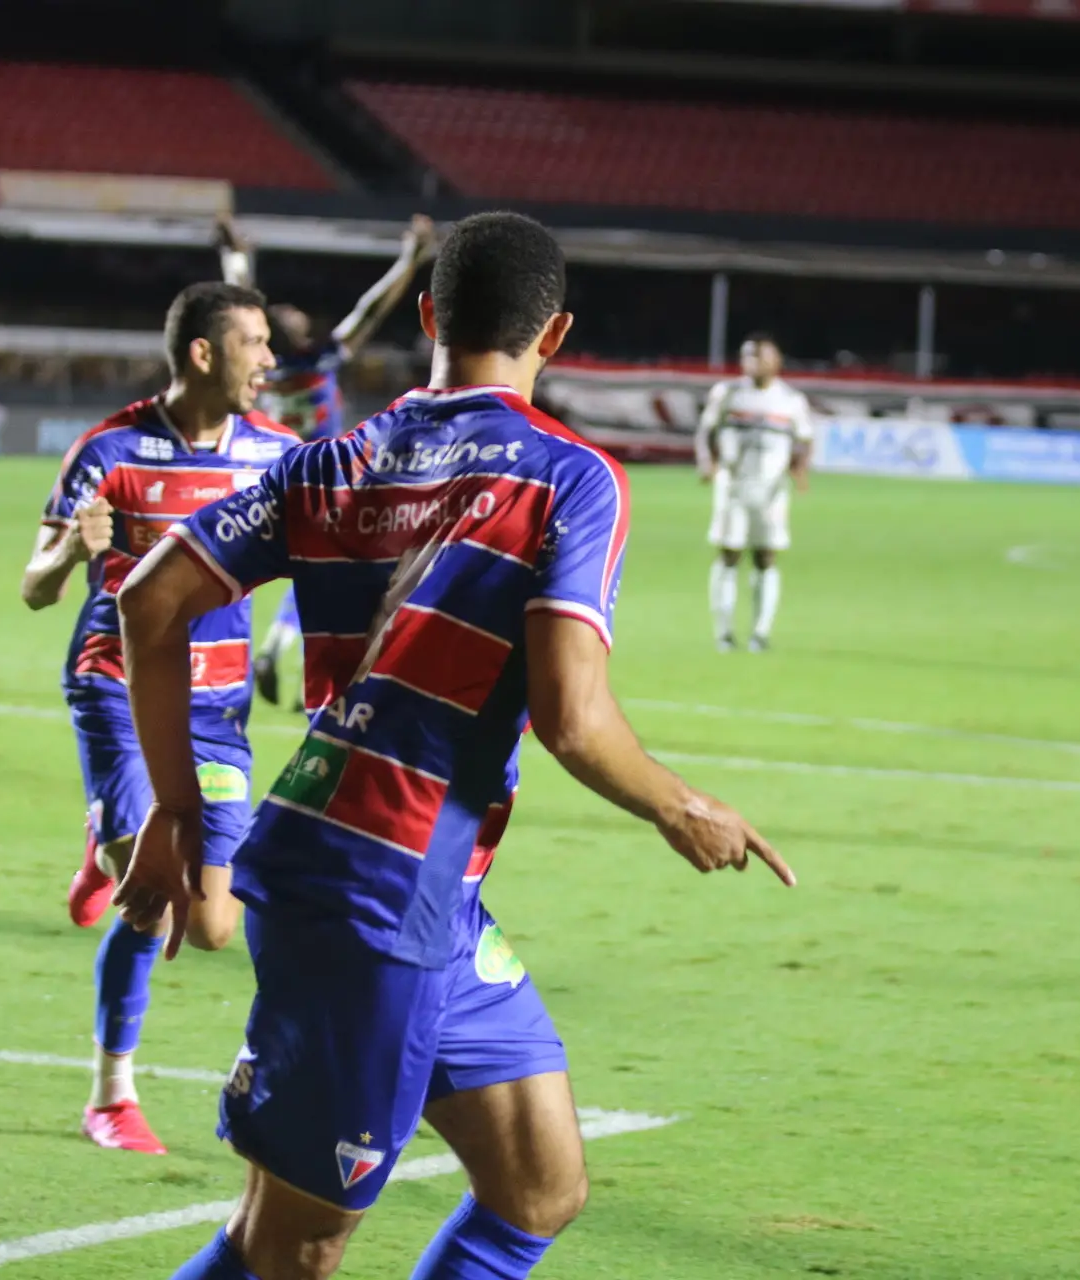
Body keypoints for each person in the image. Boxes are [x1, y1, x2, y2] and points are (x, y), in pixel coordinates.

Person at [114, 211, 794, 1280]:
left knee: (538, 1186)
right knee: (292, 1243)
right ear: (554, 334)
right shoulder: (569, 476)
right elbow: (572, 717)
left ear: (428, 316)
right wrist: (682, 805)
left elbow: (147, 603)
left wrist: (172, 806)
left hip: (427, 889)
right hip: (370, 896)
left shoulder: (332, 461)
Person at [20, 281, 296, 1154]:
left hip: (216, 709)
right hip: (119, 688)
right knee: (151, 898)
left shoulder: (279, 456)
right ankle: (111, 1095)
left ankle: (108, 838)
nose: (270, 360)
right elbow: (35, 587)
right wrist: (72, 548)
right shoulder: (109, 449)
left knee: (212, 927)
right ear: (204, 354)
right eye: (255, 343)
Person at [218, 214, 436, 707]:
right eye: (289, 314)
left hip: (273, 482)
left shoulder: (265, 371)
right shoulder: (320, 360)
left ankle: (276, 653)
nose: (295, 312)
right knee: (349, 574)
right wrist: (410, 257)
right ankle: (305, 664)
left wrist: (236, 259)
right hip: (325, 485)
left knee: (307, 570)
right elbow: (369, 309)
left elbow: (243, 307)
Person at [695, 333, 813, 652]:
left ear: (776, 361)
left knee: (766, 556)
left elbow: (804, 438)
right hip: (733, 487)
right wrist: (707, 462)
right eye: (747, 356)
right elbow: (707, 430)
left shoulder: (790, 400)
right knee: (729, 553)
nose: (751, 363)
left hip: (771, 491)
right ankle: (724, 632)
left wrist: (800, 469)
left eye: (759, 356)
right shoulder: (728, 393)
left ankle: (760, 632)